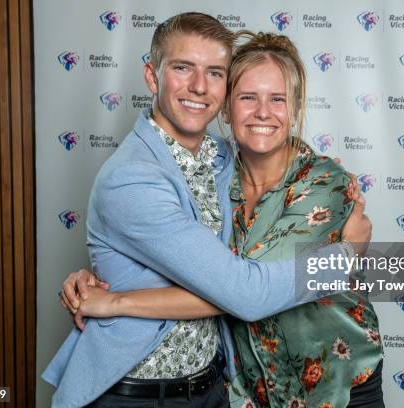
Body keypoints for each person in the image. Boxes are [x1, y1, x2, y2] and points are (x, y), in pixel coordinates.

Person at [43, 13, 371, 408]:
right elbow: (244, 292)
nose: (199, 87)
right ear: (152, 77)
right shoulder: (131, 179)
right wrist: (345, 256)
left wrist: (326, 177)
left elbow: (271, 152)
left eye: (215, 72)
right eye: (183, 68)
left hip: (222, 387)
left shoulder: (221, 159)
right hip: (141, 394)